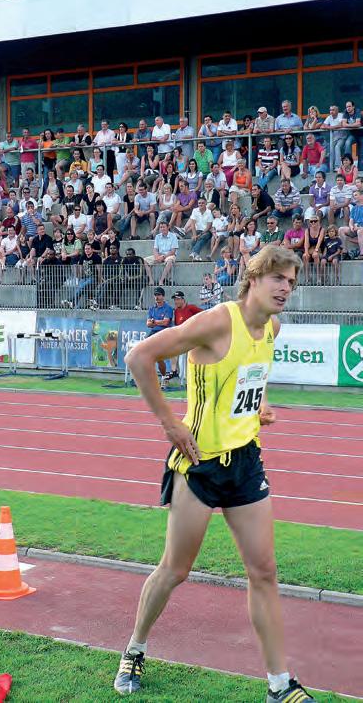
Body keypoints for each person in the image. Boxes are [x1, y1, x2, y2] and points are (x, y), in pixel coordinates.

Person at [115, 246, 313, 703]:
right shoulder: (218, 321)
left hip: (245, 462)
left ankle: (279, 684)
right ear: (254, 278)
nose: (286, 288)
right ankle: (135, 648)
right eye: (278, 278)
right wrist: (170, 423)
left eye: (291, 282)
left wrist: (258, 407)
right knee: (175, 569)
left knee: (264, 571)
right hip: (200, 463)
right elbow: (140, 357)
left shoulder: (272, 328)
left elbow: (249, 376)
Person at [163, 291, 202, 386]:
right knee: (172, 348)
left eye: (177, 299)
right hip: (182, 338)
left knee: (184, 355)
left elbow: (204, 315)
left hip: (192, 337)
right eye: (175, 300)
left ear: (183, 300)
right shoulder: (176, 311)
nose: (175, 302)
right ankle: (175, 372)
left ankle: (186, 377)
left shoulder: (191, 308)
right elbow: (177, 326)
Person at [145, 287, 173, 386]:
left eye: (159, 295)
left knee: (159, 358)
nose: (157, 297)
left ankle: (164, 377)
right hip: (153, 332)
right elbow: (148, 324)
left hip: (164, 333)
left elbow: (166, 322)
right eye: (155, 295)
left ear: (163, 296)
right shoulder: (152, 308)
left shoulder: (168, 308)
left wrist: (154, 322)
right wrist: (156, 322)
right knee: (143, 351)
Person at [143, 220, 178, 286]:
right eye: (161, 227)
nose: (162, 229)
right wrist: (157, 257)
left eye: (163, 227)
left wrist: (163, 257)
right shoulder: (157, 236)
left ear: (168, 227)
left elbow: (173, 251)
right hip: (159, 255)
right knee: (144, 260)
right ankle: (151, 280)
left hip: (169, 255)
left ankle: (161, 280)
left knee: (170, 261)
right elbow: (155, 249)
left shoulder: (173, 236)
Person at [302, 216, 324, 280]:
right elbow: (306, 242)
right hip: (310, 249)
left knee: (315, 255)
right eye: (311, 221)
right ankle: (307, 277)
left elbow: (319, 241)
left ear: (318, 222)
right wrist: (306, 252)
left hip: (319, 249)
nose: (313, 223)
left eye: (315, 221)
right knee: (304, 256)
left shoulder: (322, 229)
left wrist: (316, 250)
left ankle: (318, 277)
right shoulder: (307, 230)